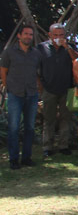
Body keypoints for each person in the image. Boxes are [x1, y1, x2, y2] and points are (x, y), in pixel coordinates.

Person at [1, 25, 44, 169]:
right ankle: (13, 159)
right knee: (13, 127)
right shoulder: (9, 52)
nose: (28, 37)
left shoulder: (36, 54)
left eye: (30, 34)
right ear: (19, 35)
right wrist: (9, 87)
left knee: (30, 128)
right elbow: (3, 71)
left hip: (31, 94)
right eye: (25, 34)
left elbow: (38, 73)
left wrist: (39, 89)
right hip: (15, 94)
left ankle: (26, 157)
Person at [38, 23, 78, 158]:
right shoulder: (42, 48)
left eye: (61, 35)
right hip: (48, 89)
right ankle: (47, 146)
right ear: (50, 35)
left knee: (65, 118)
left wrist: (67, 47)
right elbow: (36, 69)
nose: (58, 37)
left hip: (66, 88)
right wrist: (40, 88)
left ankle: (63, 145)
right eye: (55, 35)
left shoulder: (68, 48)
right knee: (49, 119)